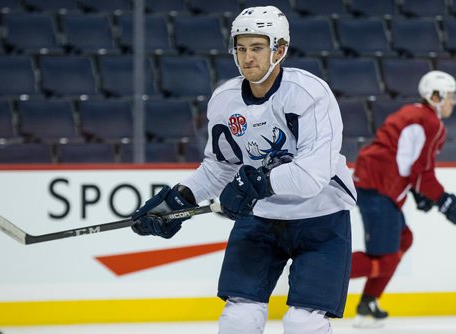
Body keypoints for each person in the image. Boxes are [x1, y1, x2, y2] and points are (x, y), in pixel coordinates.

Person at [130, 6, 357, 334]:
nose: (247, 57)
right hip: (261, 218)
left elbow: (312, 176)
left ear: (279, 50)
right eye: (241, 48)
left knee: (302, 322)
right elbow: (219, 167)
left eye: (257, 48)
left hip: (321, 218)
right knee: (239, 317)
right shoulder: (224, 100)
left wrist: (254, 185)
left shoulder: (309, 94)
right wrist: (177, 201)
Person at [350, 70, 456, 328]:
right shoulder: (431, 123)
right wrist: (445, 201)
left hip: (374, 184)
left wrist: (419, 192)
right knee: (386, 258)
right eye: (450, 96)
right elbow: (421, 171)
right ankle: (320, 272)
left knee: (404, 239)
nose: (453, 102)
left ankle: (368, 302)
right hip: (378, 189)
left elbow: (404, 160)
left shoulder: (413, 113)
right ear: (436, 97)